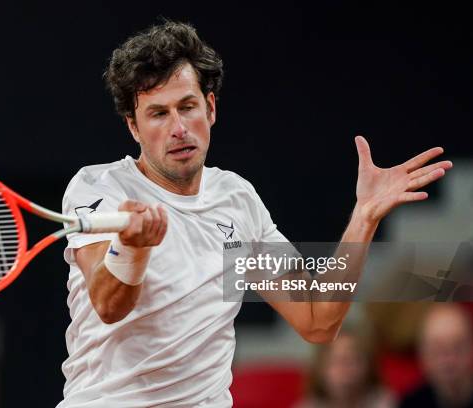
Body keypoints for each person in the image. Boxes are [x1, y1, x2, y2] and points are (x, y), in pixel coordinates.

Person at [56, 21, 452, 407]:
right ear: (134, 127)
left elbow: (317, 319)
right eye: (158, 114)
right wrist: (133, 247)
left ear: (210, 108)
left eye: (188, 106)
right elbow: (109, 306)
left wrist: (365, 217)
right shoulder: (100, 188)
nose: (178, 127)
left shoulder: (237, 199)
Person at [297, 329, 396, 408]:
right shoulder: (309, 405)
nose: (344, 370)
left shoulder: (383, 401)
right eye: (336, 361)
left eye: (353, 360)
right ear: (320, 369)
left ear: (369, 367)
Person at [400, 304, 473, 408]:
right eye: (438, 350)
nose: (449, 361)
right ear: (423, 354)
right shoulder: (410, 403)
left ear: (471, 348)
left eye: (458, 347)